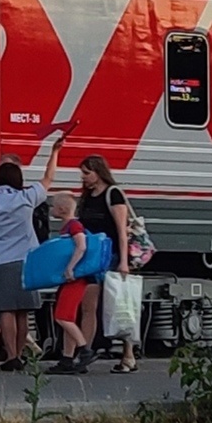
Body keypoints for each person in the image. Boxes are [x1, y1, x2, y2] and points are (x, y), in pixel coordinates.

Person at [0, 136, 63, 370]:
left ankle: (10, 356)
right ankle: (20, 354)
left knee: (5, 310)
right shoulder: (27, 197)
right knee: (23, 312)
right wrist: (55, 152)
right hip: (26, 261)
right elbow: (48, 178)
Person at [76, 154, 136, 373]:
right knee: (88, 307)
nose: (83, 178)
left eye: (86, 173)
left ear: (98, 172)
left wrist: (123, 262)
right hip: (92, 260)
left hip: (111, 258)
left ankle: (128, 354)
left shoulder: (113, 194)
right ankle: (86, 350)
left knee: (119, 307)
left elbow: (122, 231)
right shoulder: (87, 197)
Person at [47, 193, 93, 374]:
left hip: (74, 279)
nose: (51, 209)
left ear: (62, 209)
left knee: (62, 317)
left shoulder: (74, 226)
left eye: (53, 206)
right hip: (73, 279)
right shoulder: (68, 226)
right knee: (69, 318)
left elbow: (81, 245)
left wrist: (70, 268)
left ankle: (84, 350)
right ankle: (66, 359)